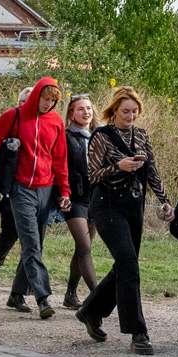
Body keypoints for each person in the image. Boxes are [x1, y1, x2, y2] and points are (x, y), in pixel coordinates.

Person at [75, 87, 169, 355]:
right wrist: (119, 166)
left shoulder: (141, 135)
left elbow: (151, 170)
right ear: (114, 111)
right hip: (106, 205)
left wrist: (165, 200)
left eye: (134, 111)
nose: (130, 116)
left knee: (125, 266)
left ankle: (91, 311)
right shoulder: (101, 136)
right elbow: (91, 176)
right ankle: (137, 331)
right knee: (129, 263)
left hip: (134, 205)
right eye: (125, 111)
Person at [0, 77, 70, 319]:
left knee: (37, 245)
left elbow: (60, 159)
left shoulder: (55, 122)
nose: (49, 104)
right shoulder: (13, 116)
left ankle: (16, 294)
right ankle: (42, 297)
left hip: (46, 189)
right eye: (46, 98)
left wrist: (64, 191)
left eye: (53, 101)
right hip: (20, 188)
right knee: (32, 243)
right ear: (37, 96)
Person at [59, 94, 101, 310]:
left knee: (82, 247)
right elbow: (60, 167)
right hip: (74, 197)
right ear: (71, 113)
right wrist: (61, 194)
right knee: (84, 247)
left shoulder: (99, 135)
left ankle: (70, 293)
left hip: (95, 198)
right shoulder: (65, 137)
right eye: (80, 109)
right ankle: (97, 298)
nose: (86, 112)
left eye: (88, 108)